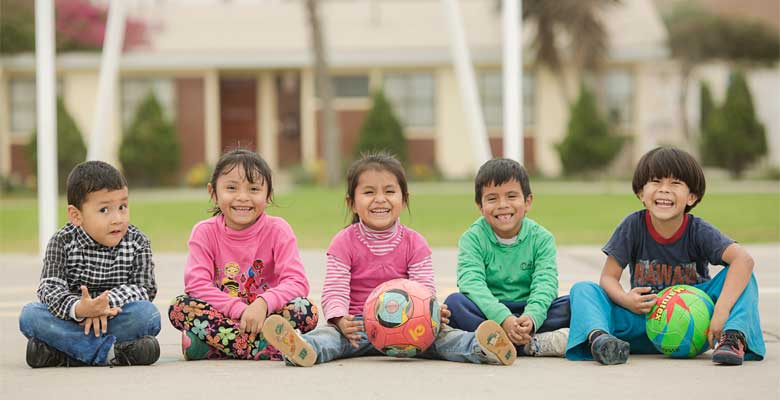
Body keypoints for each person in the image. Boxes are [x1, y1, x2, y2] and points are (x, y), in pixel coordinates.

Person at [262, 153, 517, 367]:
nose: (380, 199)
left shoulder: (414, 242)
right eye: (369, 192)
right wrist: (340, 320)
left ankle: (483, 347)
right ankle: (301, 348)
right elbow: (335, 288)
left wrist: (433, 311)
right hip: (359, 326)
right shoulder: (344, 241)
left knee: (446, 338)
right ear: (352, 202)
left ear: (403, 199)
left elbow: (424, 287)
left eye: (389, 191)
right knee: (329, 338)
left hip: (411, 326)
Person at [566, 147, 765, 365]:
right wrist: (626, 299)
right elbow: (608, 278)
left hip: (696, 326)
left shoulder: (698, 230)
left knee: (742, 276)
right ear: (641, 193)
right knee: (583, 289)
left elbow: (743, 260)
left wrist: (721, 311)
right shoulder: (633, 226)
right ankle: (602, 341)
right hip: (644, 319)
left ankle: (732, 337)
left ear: (692, 196)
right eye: (656, 181)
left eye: (675, 183)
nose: (664, 190)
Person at [168, 148, 318, 361]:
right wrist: (239, 310)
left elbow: (297, 282)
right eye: (231, 188)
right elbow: (196, 284)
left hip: (267, 317)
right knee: (180, 307)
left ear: (268, 195)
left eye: (254, 189)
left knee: (306, 310)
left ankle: (212, 346)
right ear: (213, 192)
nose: (242, 198)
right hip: (225, 315)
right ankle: (267, 348)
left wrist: (263, 304)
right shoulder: (204, 232)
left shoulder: (278, 230)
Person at [19, 161, 160, 368]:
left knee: (148, 315)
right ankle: (109, 353)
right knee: (30, 315)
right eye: (104, 210)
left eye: (123, 207)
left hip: (114, 318)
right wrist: (80, 309)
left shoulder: (138, 241)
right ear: (76, 216)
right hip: (71, 319)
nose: (117, 218)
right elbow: (49, 287)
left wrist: (103, 304)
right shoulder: (62, 241)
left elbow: (145, 288)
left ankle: (61, 354)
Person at [444, 158, 571, 357]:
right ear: (480, 205)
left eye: (511, 196)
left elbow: (545, 283)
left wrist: (532, 317)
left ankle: (508, 341)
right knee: (455, 303)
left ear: (528, 201)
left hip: (528, 310)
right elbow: (471, 282)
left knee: (571, 304)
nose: (503, 205)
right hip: (489, 312)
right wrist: (504, 318)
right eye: (492, 199)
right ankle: (528, 344)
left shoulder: (542, 238)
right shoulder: (472, 238)